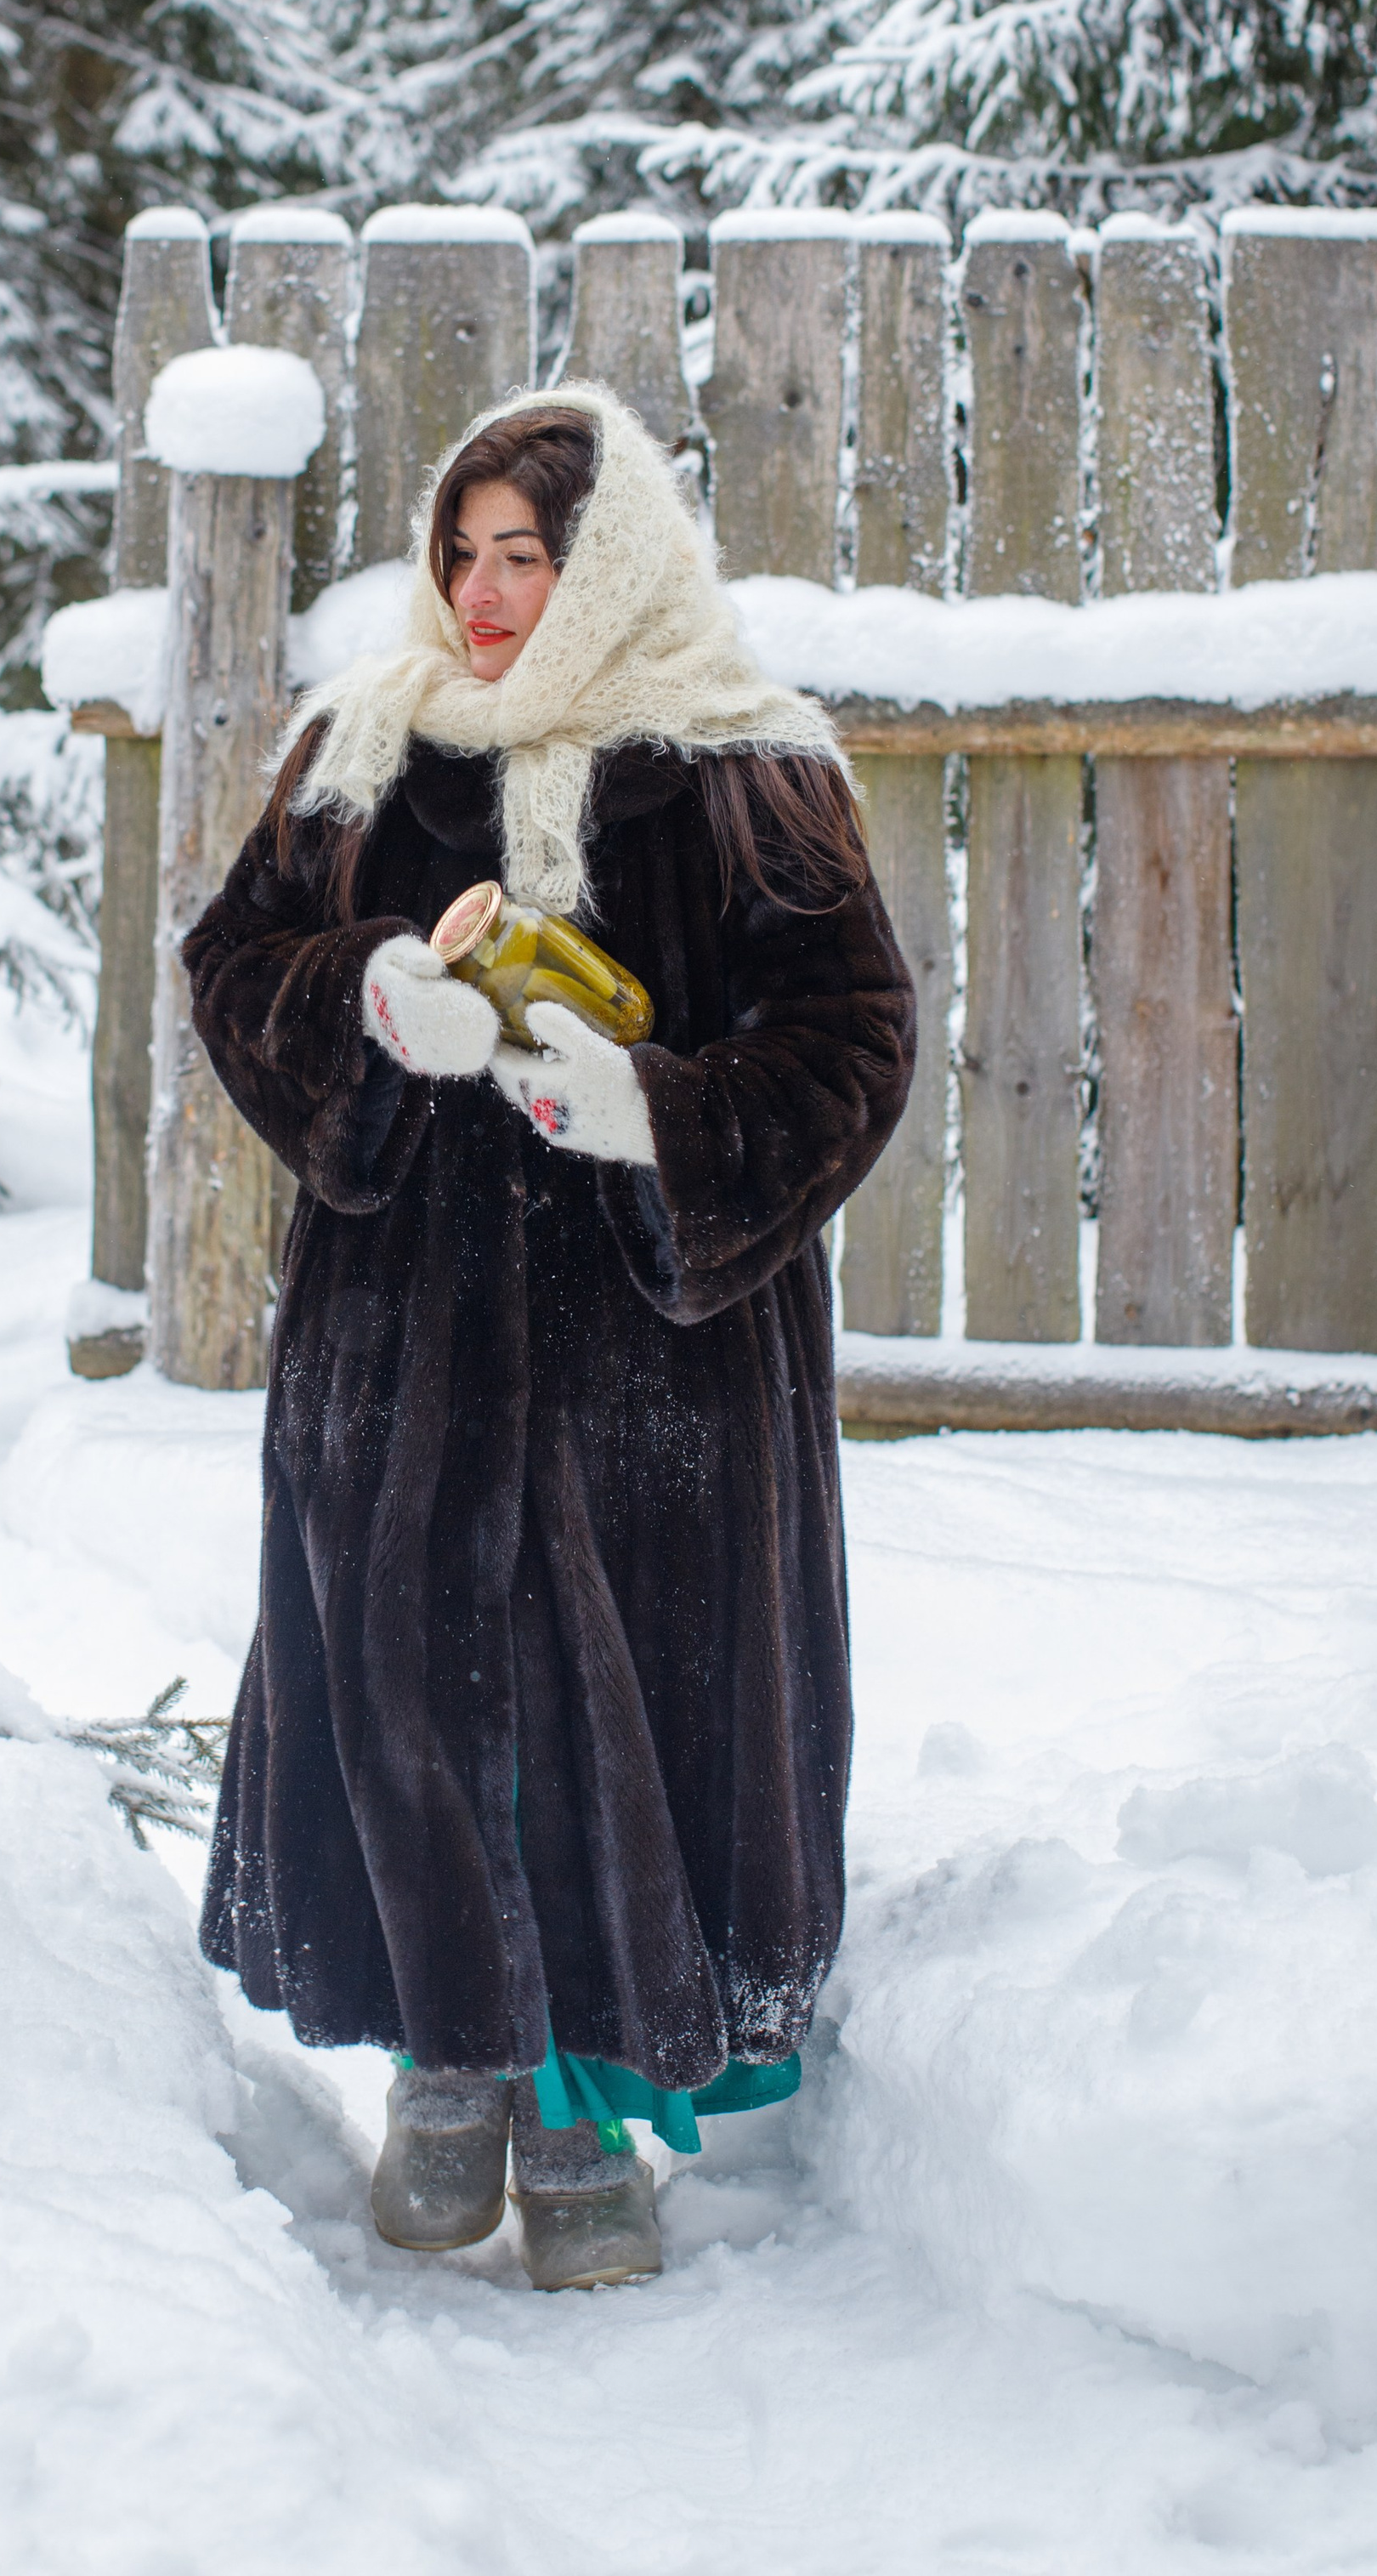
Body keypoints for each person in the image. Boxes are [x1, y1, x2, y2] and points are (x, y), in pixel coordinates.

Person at [184, 382, 915, 2290]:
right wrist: (368, 1001)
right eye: (463, 551)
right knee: (412, 1675)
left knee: (627, 1703)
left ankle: (586, 2106)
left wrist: (647, 1114)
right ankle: (451, 2060)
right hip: (399, 1331)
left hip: (658, 1363)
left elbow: (852, 1041)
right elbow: (230, 968)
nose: (487, 591)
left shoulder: (747, 765)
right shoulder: (359, 750)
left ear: (611, 564)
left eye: (530, 554)